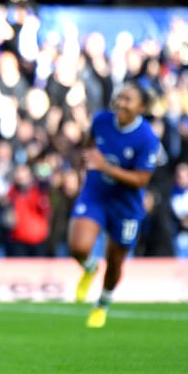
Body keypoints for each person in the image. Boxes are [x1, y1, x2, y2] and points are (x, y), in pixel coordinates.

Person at [68, 81, 160, 328]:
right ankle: (89, 268)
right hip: (96, 192)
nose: (120, 102)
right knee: (78, 246)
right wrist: (82, 175)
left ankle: (102, 304)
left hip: (126, 204)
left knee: (116, 259)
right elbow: (89, 147)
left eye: (127, 99)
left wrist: (106, 167)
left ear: (141, 107)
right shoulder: (101, 121)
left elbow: (142, 179)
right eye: (119, 97)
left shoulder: (147, 138)